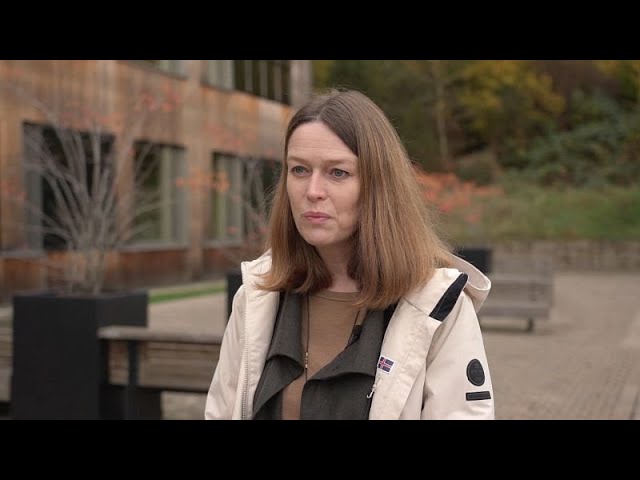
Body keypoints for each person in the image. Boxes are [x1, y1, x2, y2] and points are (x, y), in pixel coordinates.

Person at [205, 88, 494, 420]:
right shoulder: (258, 296)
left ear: (377, 186)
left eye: (337, 173)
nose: (312, 191)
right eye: (299, 170)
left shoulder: (437, 306)